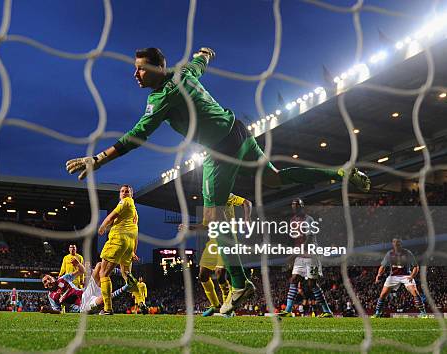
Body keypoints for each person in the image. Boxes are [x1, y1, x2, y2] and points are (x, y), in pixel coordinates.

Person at [66, 47, 371, 314]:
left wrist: (97, 159)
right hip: (238, 131)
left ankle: (239, 284)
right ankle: (340, 173)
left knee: (213, 221)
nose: (136, 74)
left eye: (141, 68)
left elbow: (137, 135)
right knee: (275, 180)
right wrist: (205, 53)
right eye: (135, 68)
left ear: (158, 68)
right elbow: (199, 63)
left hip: (219, 150)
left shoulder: (162, 97)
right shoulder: (183, 72)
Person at [179, 193, 252, 317]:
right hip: (213, 241)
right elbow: (205, 225)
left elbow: (247, 202)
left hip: (227, 239)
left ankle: (227, 308)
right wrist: (189, 227)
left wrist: (247, 218)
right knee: (202, 275)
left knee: (219, 273)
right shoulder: (208, 205)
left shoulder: (226, 195)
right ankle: (215, 306)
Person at [278, 198, 333, 318]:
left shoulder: (309, 219)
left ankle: (327, 311)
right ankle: (287, 310)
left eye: (297, 205)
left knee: (311, 284)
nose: (294, 207)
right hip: (300, 256)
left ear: (302, 207)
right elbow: (293, 238)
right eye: (293, 205)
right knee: (294, 279)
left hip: (311, 255)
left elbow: (308, 239)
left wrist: (295, 253)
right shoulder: (292, 220)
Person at [96, 184, 139, 315]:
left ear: (131, 194)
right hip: (129, 243)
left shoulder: (125, 202)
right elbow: (136, 232)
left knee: (103, 273)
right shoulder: (134, 213)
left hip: (118, 239)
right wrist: (133, 251)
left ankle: (108, 308)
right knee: (125, 272)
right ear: (120, 193)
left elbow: (111, 216)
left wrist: (102, 226)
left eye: (127, 191)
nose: (124, 193)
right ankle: (139, 297)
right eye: (122, 191)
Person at [41, 258, 132, 314]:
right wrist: (49, 311)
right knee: (103, 299)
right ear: (45, 286)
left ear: (53, 278)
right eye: (45, 282)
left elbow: (81, 271)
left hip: (86, 291)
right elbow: (59, 311)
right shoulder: (51, 296)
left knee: (99, 265)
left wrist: (78, 264)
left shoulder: (63, 279)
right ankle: (127, 287)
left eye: (48, 278)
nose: (48, 281)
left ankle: (124, 274)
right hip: (82, 306)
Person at [372, 238, 427, 318]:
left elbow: (416, 267)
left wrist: (412, 276)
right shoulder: (389, 254)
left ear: (401, 244)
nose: (396, 244)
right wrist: (378, 275)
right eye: (394, 242)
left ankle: (423, 313)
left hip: (406, 275)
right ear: (392, 244)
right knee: (383, 294)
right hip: (393, 276)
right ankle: (377, 313)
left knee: (414, 292)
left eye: (398, 243)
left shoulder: (408, 253)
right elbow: (382, 266)